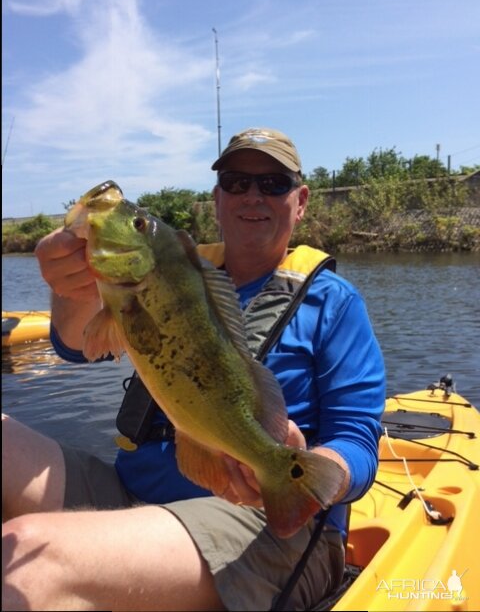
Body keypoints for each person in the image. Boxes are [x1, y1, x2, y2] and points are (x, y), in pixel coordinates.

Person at [2, 127, 385, 611]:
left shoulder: (336, 304)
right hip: (133, 498)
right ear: (217, 198)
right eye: (235, 181)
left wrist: (309, 467)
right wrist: (70, 284)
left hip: (261, 529)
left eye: (273, 183)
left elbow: (357, 441)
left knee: (37, 563)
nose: (253, 195)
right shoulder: (172, 270)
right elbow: (77, 346)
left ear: (301, 199)